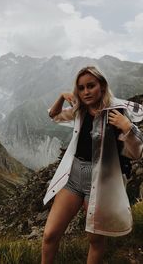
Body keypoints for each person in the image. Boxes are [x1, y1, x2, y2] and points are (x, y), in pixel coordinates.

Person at [41, 66, 143, 264]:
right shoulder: (80, 110)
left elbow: (137, 152)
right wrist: (62, 97)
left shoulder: (117, 113)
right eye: (81, 88)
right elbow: (54, 116)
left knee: (95, 240)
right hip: (73, 177)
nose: (86, 92)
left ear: (102, 86)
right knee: (50, 235)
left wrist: (128, 128)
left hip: (100, 182)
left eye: (91, 86)